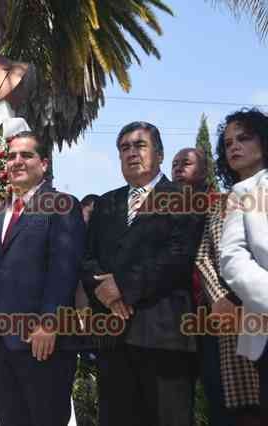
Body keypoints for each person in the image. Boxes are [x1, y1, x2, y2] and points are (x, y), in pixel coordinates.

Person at [0, 130, 85, 426]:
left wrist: (49, 322)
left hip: (42, 343)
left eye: (26, 155)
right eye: (11, 156)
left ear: (44, 164)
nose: (17, 161)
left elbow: (64, 270)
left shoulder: (63, 206)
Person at [81, 122, 201, 426]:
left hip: (163, 337)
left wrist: (123, 287)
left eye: (140, 145)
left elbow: (179, 256)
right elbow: (87, 259)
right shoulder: (106, 203)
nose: (131, 153)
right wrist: (107, 296)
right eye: (125, 148)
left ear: (159, 154)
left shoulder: (183, 197)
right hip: (113, 338)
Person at [175, 142, 261, 426]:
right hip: (213, 315)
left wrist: (244, 296)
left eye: (186, 163)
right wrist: (221, 298)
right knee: (224, 400)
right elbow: (204, 256)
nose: (178, 169)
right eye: (229, 143)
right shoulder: (219, 205)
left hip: (252, 307)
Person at [218, 109, 268, 423]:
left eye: (244, 138)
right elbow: (232, 260)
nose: (234, 146)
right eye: (228, 143)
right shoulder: (240, 194)